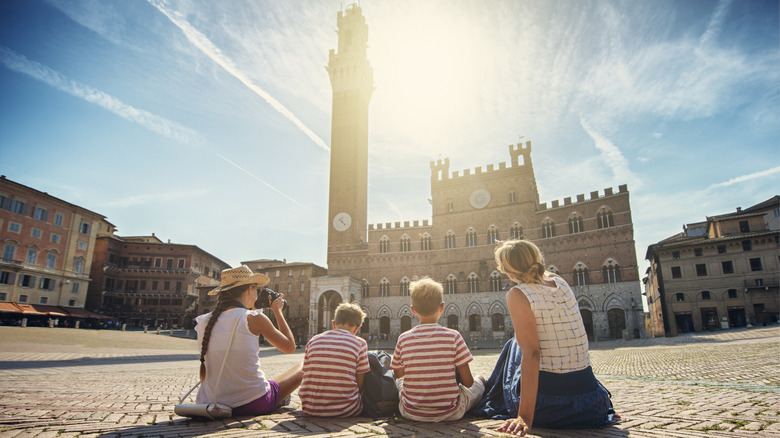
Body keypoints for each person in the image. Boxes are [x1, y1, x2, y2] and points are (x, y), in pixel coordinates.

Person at [470, 240, 616, 436]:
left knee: (516, 345)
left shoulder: (517, 294)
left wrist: (525, 418)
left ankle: (488, 393)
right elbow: (539, 272)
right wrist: (515, 251)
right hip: (591, 404)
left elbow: (532, 353)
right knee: (522, 342)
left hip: (548, 408)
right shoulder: (561, 282)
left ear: (509, 274)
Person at [194, 265, 303, 416]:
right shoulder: (254, 318)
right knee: (304, 365)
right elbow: (290, 347)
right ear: (250, 289)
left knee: (270, 383)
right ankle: (279, 399)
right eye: (257, 289)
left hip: (210, 402)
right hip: (252, 402)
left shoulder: (203, 321)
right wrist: (277, 311)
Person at [391, 277, 485, 422]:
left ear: (413, 310)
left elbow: (398, 374)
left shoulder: (403, 338)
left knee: (399, 383)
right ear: (442, 307)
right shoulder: (454, 336)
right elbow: (468, 383)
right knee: (480, 382)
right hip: (451, 412)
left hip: (410, 411)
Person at [299, 302, 370, 417]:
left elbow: (306, 372)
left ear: (333, 324)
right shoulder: (360, 343)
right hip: (346, 409)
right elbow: (360, 380)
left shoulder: (313, 340)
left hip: (309, 407)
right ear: (357, 328)